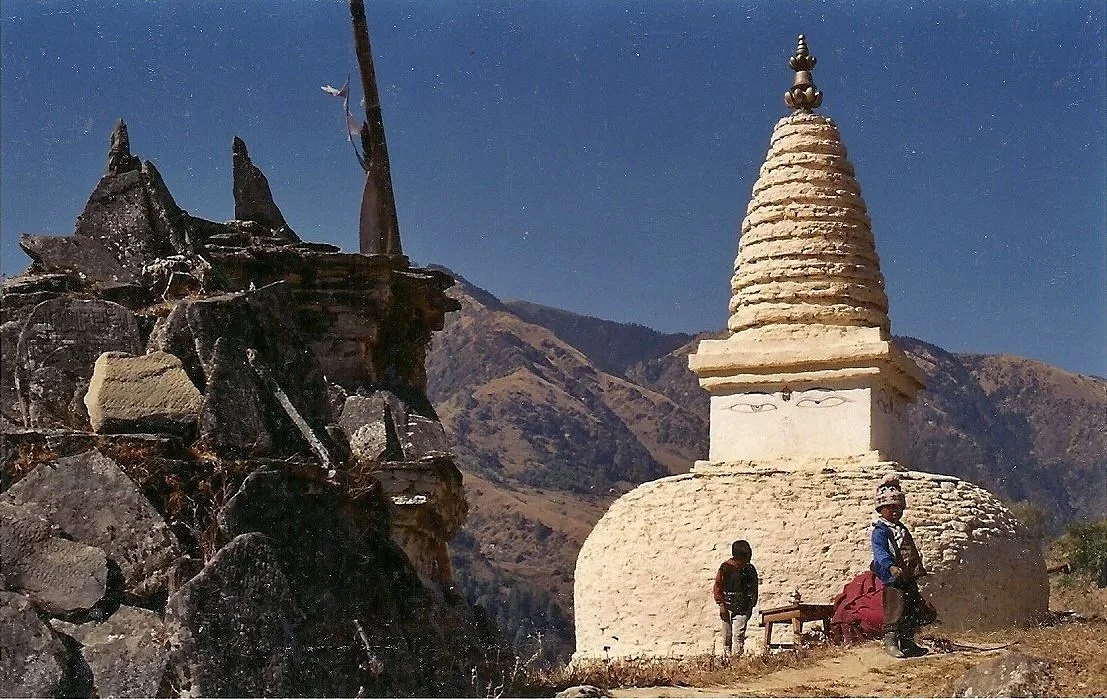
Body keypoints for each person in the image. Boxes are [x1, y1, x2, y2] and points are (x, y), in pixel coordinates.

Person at [870, 474, 932, 658]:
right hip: (894, 577)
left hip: (907, 575)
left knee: (910, 608)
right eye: (891, 508)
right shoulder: (880, 532)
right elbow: (880, 552)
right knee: (895, 608)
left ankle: (907, 642)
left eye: (898, 508)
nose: (896, 511)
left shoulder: (901, 528)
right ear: (881, 509)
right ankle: (890, 641)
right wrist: (890, 567)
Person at [713, 539, 759, 655]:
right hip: (726, 607)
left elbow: (754, 589)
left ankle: (736, 659)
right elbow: (718, 586)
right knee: (727, 636)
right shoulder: (725, 568)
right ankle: (727, 658)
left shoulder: (750, 570)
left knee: (739, 634)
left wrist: (750, 606)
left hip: (742, 608)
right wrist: (721, 604)